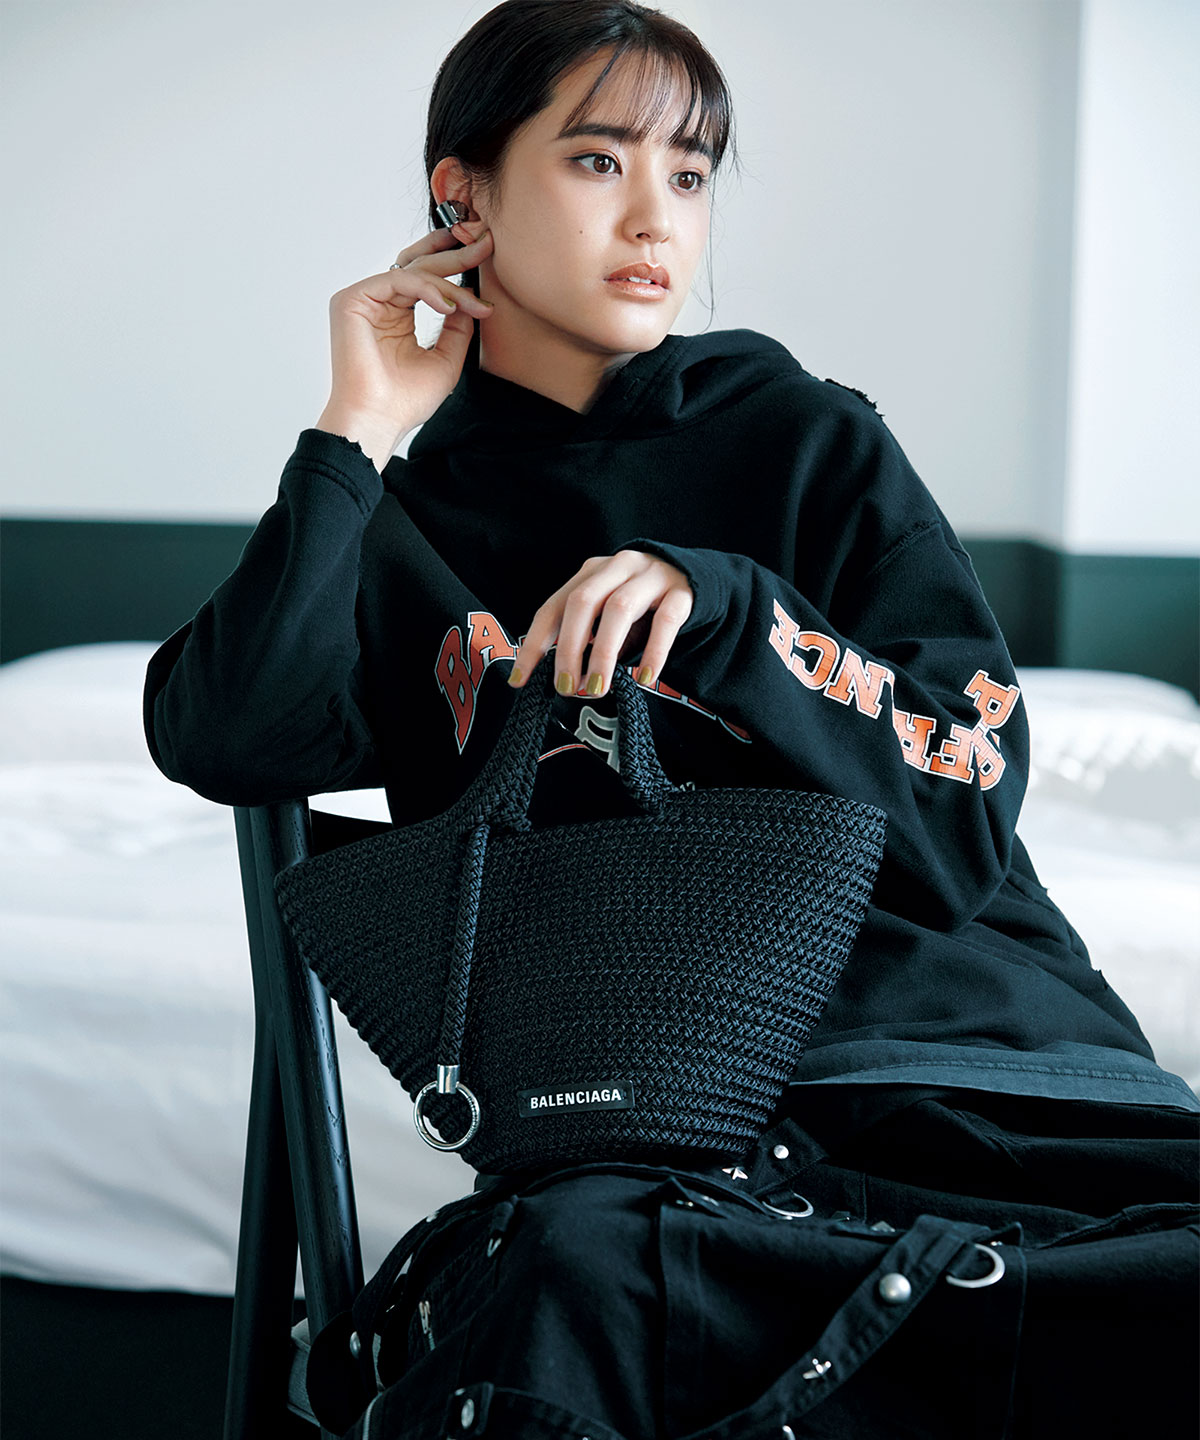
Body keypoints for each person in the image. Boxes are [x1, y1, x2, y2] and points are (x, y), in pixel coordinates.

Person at [144, 2, 1198, 1435]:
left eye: (690, 175)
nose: (657, 218)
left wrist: (729, 613)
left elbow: (965, 805)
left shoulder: (807, 439)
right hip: (650, 1126)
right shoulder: (400, 525)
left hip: (992, 1075)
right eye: (598, 162)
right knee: (573, 1281)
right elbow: (221, 737)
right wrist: (355, 428)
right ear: (463, 196)